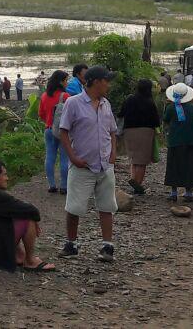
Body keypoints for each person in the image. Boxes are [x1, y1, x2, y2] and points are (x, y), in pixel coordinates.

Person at [57, 65, 119, 262]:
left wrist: (113, 154)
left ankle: (107, 246)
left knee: (107, 205)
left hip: (104, 165)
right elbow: (63, 132)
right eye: (106, 81)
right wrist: (72, 157)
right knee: (74, 207)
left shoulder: (105, 104)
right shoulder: (74, 103)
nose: (108, 85)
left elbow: (112, 131)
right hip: (82, 164)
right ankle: (71, 243)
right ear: (95, 82)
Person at [163, 83, 193, 202]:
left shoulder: (171, 108)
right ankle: (189, 192)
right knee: (189, 166)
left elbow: (165, 120)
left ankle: (174, 192)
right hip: (191, 141)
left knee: (174, 166)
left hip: (175, 141)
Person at [120, 78, 160, 195]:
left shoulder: (129, 99)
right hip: (145, 132)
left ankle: (134, 180)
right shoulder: (150, 102)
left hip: (129, 131)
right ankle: (137, 184)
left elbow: (121, 113)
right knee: (141, 161)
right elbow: (156, 121)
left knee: (134, 158)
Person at [38, 70, 70, 194]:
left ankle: (51, 184)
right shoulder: (65, 96)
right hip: (63, 131)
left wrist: (48, 121)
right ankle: (64, 186)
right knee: (64, 158)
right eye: (66, 80)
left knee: (50, 156)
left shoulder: (45, 96)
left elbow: (41, 114)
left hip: (49, 129)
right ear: (61, 81)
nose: (67, 83)